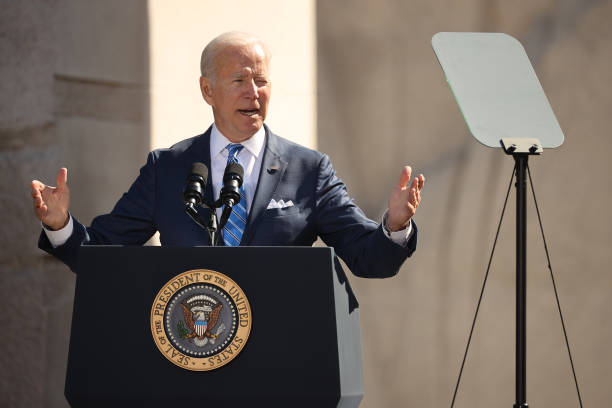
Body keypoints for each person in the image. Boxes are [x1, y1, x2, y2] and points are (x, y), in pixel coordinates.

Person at [31, 32, 425, 277]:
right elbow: (100, 256)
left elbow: (369, 259)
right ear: (207, 90)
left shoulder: (309, 170)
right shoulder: (167, 168)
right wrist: (61, 223)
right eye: (239, 80)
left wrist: (394, 225)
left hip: (279, 359)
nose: (253, 92)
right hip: (190, 356)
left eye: (262, 80)